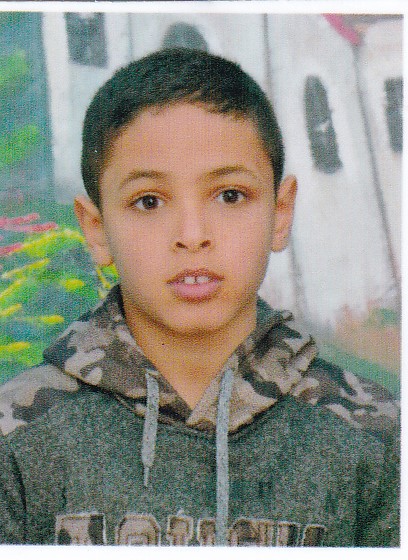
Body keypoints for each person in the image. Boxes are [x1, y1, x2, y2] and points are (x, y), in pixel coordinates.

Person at [0, 48, 399, 547]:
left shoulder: (379, 438)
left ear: (280, 213)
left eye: (230, 195)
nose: (192, 236)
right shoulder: (16, 438)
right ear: (96, 229)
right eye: (149, 201)